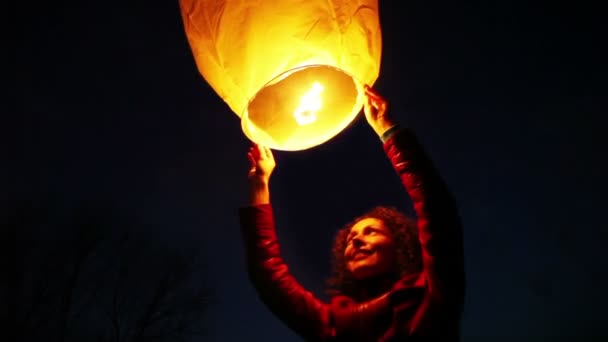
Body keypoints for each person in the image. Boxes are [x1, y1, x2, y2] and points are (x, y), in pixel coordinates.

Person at [239, 86, 465, 341]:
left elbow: (438, 213)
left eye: (372, 231)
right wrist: (259, 185)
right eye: (349, 238)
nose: (356, 239)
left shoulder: (432, 297)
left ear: (399, 245)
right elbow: (268, 276)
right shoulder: (330, 324)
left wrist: (389, 132)